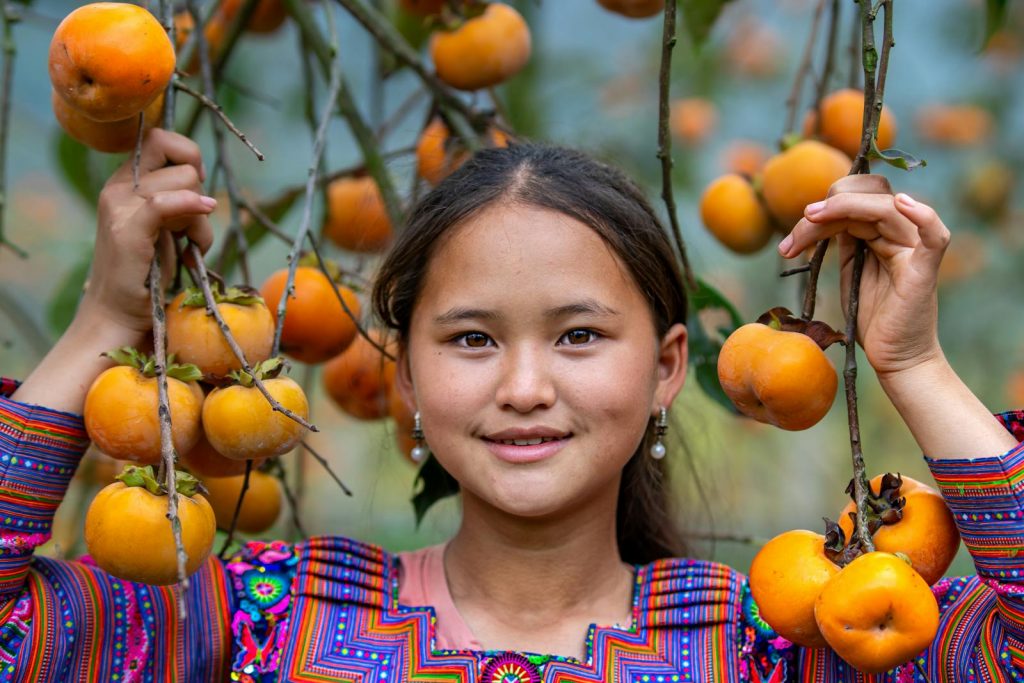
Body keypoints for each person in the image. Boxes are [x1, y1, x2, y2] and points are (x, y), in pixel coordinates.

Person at [2, 129, 1022, 682]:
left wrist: (913, 363)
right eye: (471, 338)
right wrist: (102, 322)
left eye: (579, 335)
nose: (524, 386)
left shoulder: (775, 636)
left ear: (668, 366)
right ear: (402, 373)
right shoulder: (269, 611)